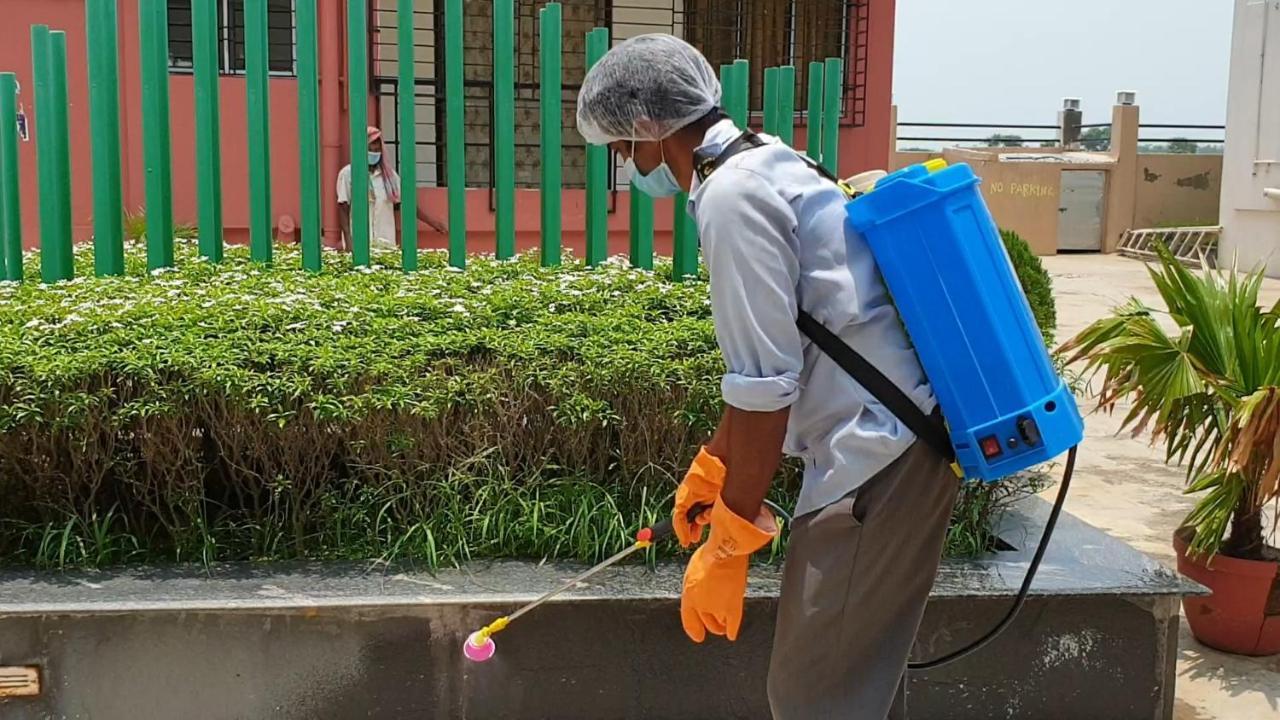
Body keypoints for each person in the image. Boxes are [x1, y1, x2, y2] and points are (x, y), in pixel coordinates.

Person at [576, 35, 960, 720]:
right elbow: (781, 357)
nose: (624, 167)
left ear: (645, 128)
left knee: (813, 698)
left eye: (617, 150)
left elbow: (765, 386)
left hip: (875, 458)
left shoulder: (732, 196)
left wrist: (728, 545)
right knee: (851, 689)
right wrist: (714, 466)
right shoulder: (767, 158)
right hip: (891, 443)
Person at [337, 126, 446, 251]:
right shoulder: (348, 174)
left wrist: (433, 223)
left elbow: (405, 203)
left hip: (385, 241)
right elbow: (343, 207)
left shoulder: (389, 176)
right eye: (371, 146)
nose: (375, 150)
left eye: (378, 148)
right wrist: (348, 239)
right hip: (359, 240)